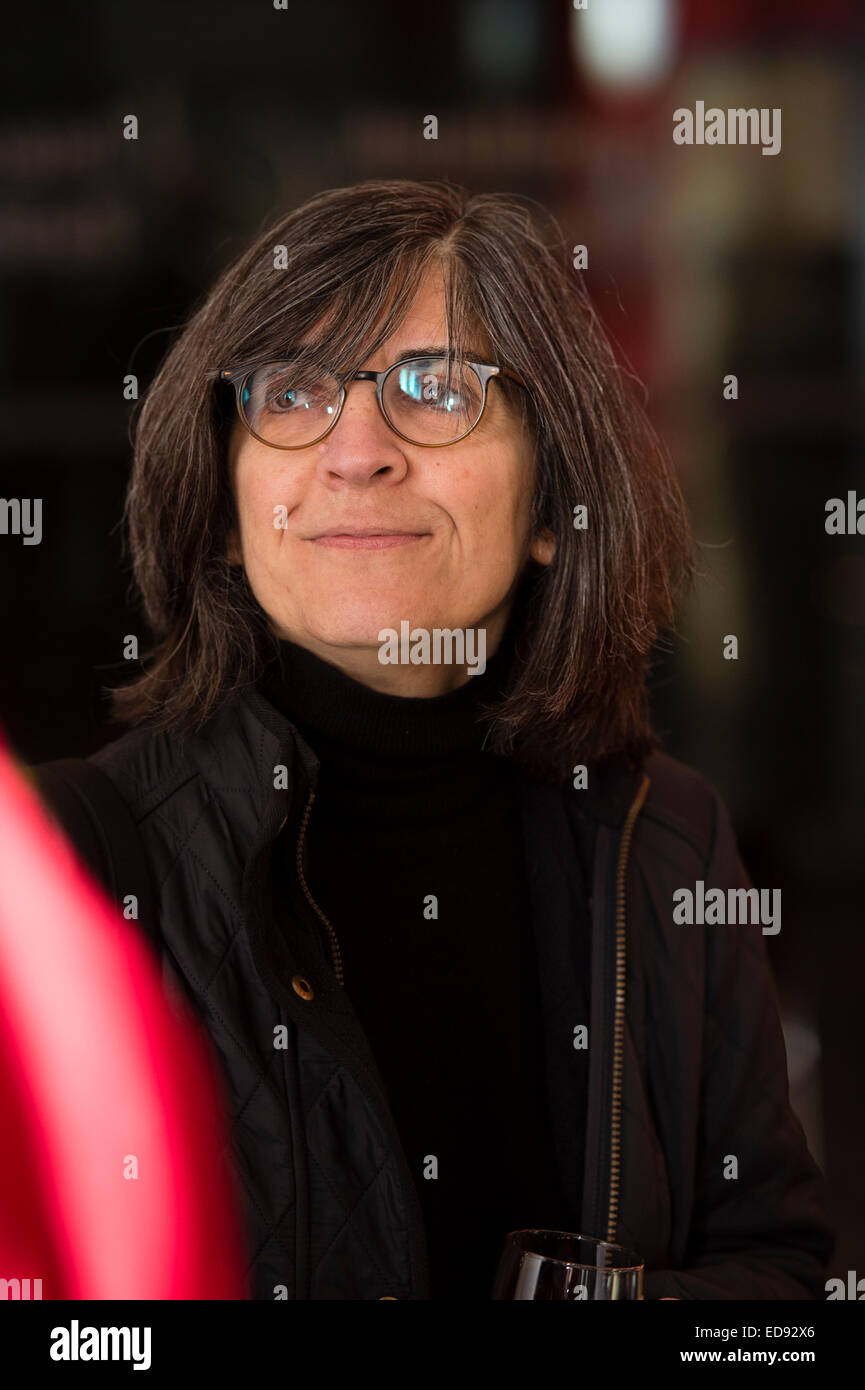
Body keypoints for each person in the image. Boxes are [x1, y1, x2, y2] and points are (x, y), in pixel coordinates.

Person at [43, 178, 833, 1300]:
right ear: (223, 508)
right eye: (292, 391)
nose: (355, 449)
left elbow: (780, 1275)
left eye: (436, 386)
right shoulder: (75, 869)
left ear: (558, 504)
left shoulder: (667, 842)